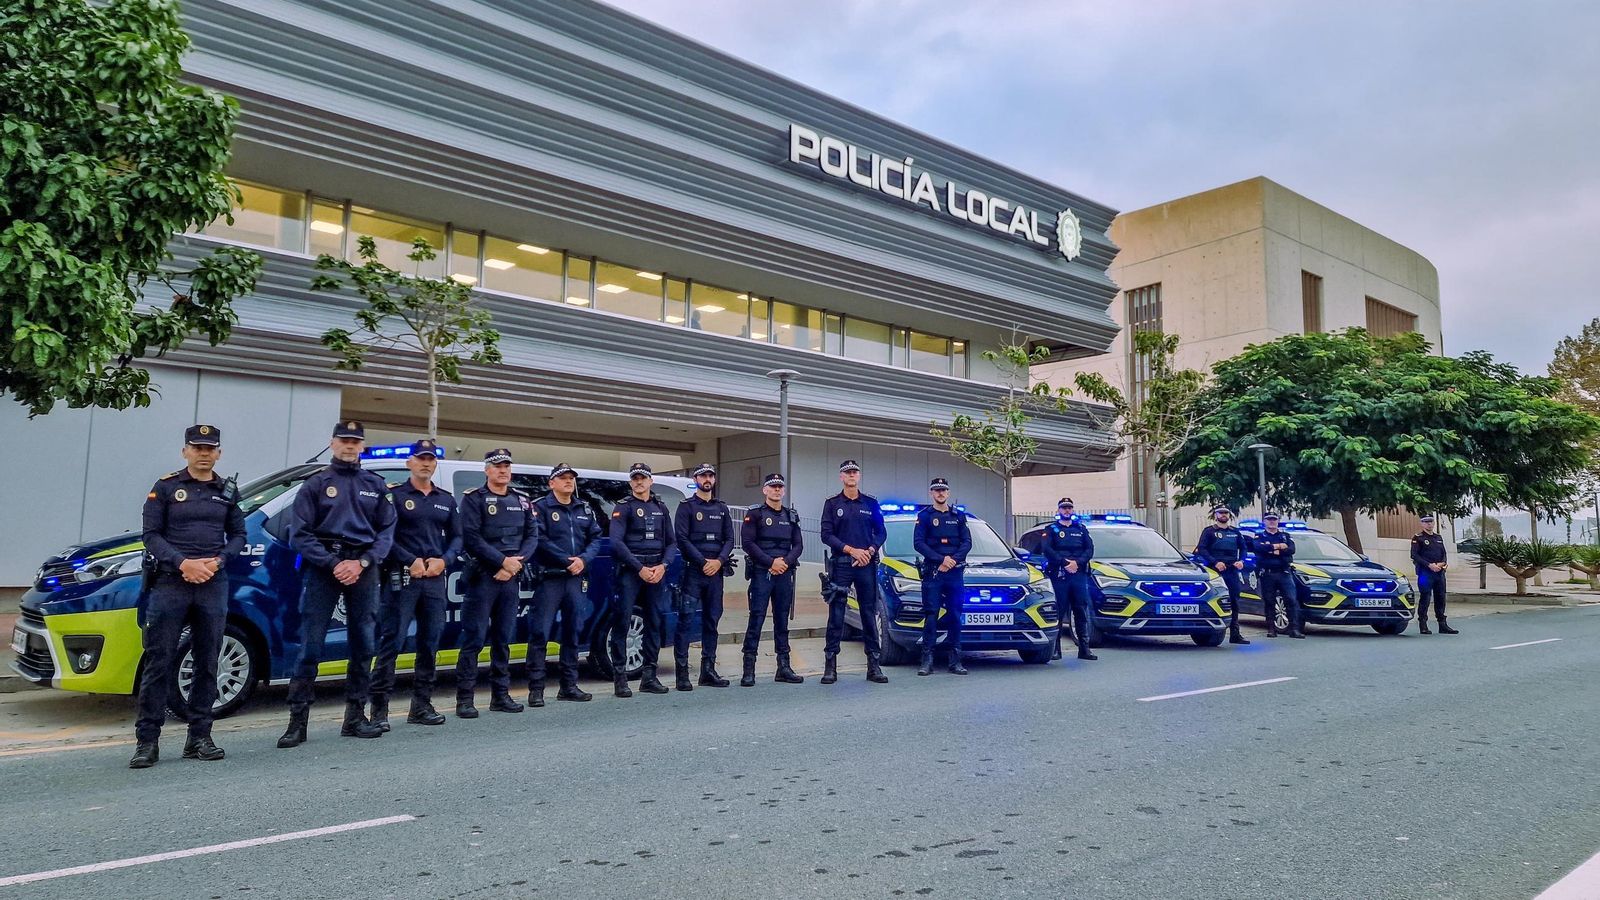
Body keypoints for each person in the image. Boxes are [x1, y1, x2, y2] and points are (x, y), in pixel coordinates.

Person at [129, 424, 247, 768]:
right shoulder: (165, 487)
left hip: (212, 583)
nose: (204, 452)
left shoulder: (227, 490)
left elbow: (238, 534)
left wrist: (220, 560)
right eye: (197, 447)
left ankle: (199, 737)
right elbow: (150, 535)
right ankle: (147, 742)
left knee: (208, 662)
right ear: (185, 451)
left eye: (210, 448)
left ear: (219, 453)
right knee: (159, 662)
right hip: (171, 583)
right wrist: (183, 563)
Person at [279, 421, 397, 748]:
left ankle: (356, 717)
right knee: (311, 647)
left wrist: (360, 563)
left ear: (362, 446)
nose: (349, 446)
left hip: (363, 568)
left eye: (355, 441)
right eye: (344, 440)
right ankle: (297, 722)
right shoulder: (316, 484)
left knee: (363, 645)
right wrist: (334, 564)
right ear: (333, 444)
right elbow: (299, 533)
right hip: (323, 567)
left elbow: (386, 533)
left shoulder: (376, 485)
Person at [371, 439, 461, 729]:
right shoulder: (395, 496)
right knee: (392, 643)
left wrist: (444, 560)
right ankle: (379, 711)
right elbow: (384, 535)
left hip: (434, 579)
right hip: (403, 577)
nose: (426, 463)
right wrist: (410, 560)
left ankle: (421, 706)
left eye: (430, 459)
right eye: (421, 458)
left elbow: (458, 538)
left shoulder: (446, 499)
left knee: (429, 643)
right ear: (410, 463)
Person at [455, 448, 536, 718]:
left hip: (510, 579)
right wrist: (503, 562)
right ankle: (465, 699)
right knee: (474, 640)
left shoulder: (522, 501)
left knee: (503, 639)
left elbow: (532, 537)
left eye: (506, 466)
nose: (503, 470)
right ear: (487, 470)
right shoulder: (474, 499)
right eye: (497, 466)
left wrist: (515, 564)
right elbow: (471, 538)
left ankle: (500, 695)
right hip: (483, 578)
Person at [529, 463, 601, 705]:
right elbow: (539, 538)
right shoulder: (540, 507)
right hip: (550, 577)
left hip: (575, 579)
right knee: (540, 633)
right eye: (563, 478)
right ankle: (536, 690)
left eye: (571, 478)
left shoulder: (584, 509)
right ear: (552, 483)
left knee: (573, 633)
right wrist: (565, 560)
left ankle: (569, 686)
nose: (568, 481)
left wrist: (583, 559)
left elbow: (596, 539)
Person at [608, 463, 677, 697]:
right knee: (623, 622)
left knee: (654, 622)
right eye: (635, 478)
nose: (639, 482)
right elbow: (616, 542)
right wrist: (639, 568)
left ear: (650, 481)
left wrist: (663, 566)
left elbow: (671, 542)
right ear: (631, 483)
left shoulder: (661, 508)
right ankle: (620, 679)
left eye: (643, 478)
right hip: (631, 572)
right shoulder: (623, 507)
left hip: (656, 571)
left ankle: (649, 676)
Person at [820, 460, 889, 685]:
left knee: (869, 613)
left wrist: (868, 551)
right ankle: (830, 666)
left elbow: (881, 533)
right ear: (841, 477)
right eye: (847, 472)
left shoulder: (870, 503)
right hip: (842, 563)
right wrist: (851, 550)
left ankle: (874, 665)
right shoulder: (832, 504)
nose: (851, 475)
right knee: (836, 615)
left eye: (854, 472)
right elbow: (826, 535)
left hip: (866, 564)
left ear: (858, 476)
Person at [673, 463, 734, 690]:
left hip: (716, 574)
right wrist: (703, 562)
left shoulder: (721, 508)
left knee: (712, 621)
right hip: (693, 572)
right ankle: (682, 674)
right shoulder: (686, 507)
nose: (707, 479)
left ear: (714, 479)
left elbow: (730, 539)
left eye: (710, 475)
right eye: (702, 476)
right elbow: (682, 539)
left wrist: (718, 561)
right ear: (696, 479)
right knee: (686, 622)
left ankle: (708, 671)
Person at [739, 473, 805, 686]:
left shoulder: (790, 515)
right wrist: (770, 562)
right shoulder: (755, 514)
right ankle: (748, 669)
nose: (776, 490)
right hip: (762, 572)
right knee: (756, 618)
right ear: (765, 490)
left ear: (783, 491)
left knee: (782, 620)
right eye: (772, 486)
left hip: (784, 573)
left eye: (779, 487)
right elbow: (748, 543)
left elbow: (798, 545)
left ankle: (783, 667)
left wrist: (784, 562)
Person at [911, 477, 971, 676]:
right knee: (931, 616)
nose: (940, 493)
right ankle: (927, 661)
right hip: (933, 573)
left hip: (954, 572)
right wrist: (940, 560)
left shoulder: (959, 516)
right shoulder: (925, 516)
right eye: (936, 490)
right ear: (931, 493)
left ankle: (955, 661)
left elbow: (967, 542)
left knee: (955, 615)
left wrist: (952, 560)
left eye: (943, 490)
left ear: (948, 493)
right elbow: (918, 543)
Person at [1039, 498, 1097, 661]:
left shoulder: (1080, 528)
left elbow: (1089, 549)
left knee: (1081, 610)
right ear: (1058, 510)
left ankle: (1084, 649)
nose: (1067, 510)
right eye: (1064, 508)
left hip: (1078, 574)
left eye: (1069, 508)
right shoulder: (1051, 529)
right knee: (1059, 611)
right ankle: (1056, 649)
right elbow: (1047, 549)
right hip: (1060, 574)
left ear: (1073, 510)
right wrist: (1065, 563)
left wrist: (1077, 563)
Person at [1194, 506, 1251, 645]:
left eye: (1226, 513)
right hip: (1215, 572)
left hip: (1231, 571)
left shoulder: (1235, 532)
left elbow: (1243, 548)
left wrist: (1241, 561)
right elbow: (1201, 549)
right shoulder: (1209, 531)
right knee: (1215, 600)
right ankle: (1212, 631)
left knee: (1234, 602)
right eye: (1221, 513)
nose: (1223, 515)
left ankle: (1235, 634)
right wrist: (1215, 562)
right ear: (1216, 515)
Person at [1251, 513, 1303, 639]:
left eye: (1274, 519)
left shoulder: (1284, 536)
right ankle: (1271, 629)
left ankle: (1294, 629)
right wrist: (1278, 547)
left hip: (1284, 572)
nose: (1272, 522)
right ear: (1264, 521)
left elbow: (1291, 550)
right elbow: (1258, 548)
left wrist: (1271, 550)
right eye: (1269, 520)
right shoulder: (1260, 536)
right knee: (1269, 601)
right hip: (1268, 573)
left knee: (1291, 600)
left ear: (1278, 521)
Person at [1411, 514, 1457, 634]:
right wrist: (1429, 565)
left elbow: (1443, 554)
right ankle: (1423, 625)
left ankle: (1442, 625)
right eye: (1426, 522)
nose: (1429, 524)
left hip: (1439, 573)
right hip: (1425, 573)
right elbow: (1414, 555)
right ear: (1422, 523)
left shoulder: (1438, 537)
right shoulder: (1418, 538)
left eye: (1430, 521)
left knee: (1441, 598)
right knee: (1425, 598)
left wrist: (1442, 564)